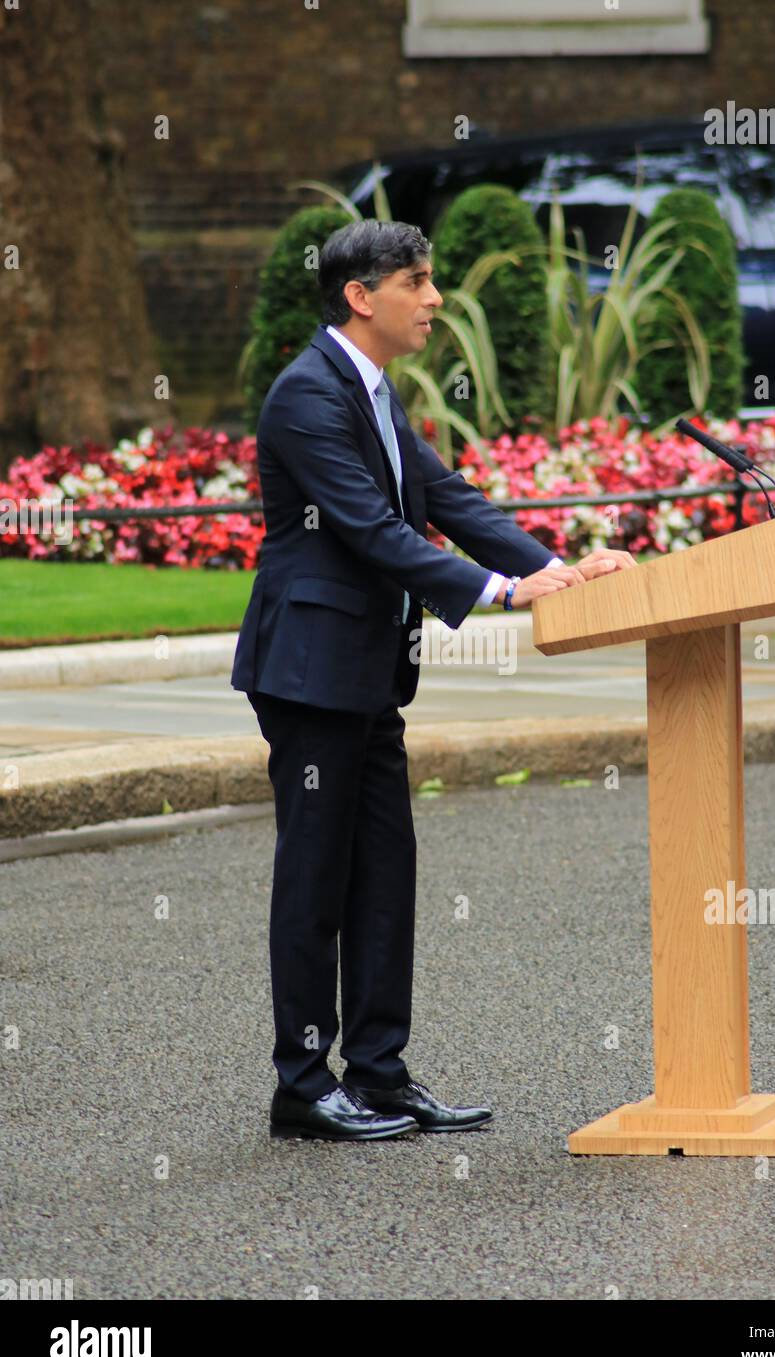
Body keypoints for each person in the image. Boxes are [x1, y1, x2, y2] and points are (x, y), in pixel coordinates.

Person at [232, 219, 635, 1141]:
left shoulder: (370, 391)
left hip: (370, 674)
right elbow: (373, 529)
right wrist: (500, 589)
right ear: (361, 297)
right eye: (417, 281)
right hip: (309, 674)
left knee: (384, 873)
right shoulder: (307, 396)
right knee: (315, 879)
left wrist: (555, 569)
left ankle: (377, 1073)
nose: (436, 298)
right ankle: (302, 1084)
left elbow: (445, 495)